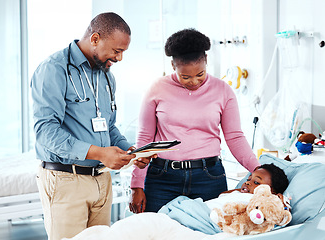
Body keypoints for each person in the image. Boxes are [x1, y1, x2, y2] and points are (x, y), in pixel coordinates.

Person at [31, 12, 152, 240]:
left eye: (123, 52)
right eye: (117, 51)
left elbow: (109, 127)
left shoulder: (106, 76)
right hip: (66, 179)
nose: (119, 58)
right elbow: (45, 132)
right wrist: (99, 153)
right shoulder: (54, 69)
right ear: (95, 38)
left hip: (101, 178)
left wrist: (131, 151)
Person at [129, 28, 260, 214]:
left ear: (206, 61)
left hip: (209, 176)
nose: (194, 82)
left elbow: (235, 137)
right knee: (157, 232)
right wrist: (136, 185)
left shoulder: (223, 90)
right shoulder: (156, 89)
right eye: (185, 77)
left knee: (211, 233)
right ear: (173, 65)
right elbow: (145, 139)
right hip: (162, 178)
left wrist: (259, 170)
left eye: (200, 74)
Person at [158, 163, 290, 234]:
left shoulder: (258, 204)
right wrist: (239, 190)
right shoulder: (240, 194)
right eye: (248, 179)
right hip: (195, 209)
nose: (248, 182)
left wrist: (279, 201)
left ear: (271, 192)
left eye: (256, 182)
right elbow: (222, 195)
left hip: (204, 220)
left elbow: (277, 215)